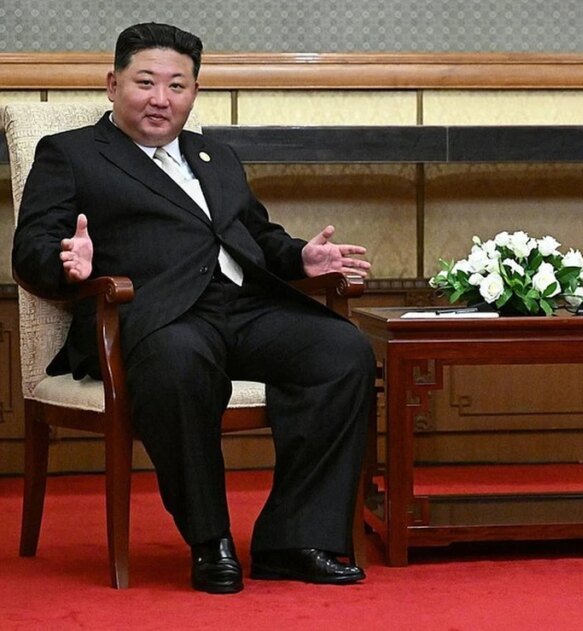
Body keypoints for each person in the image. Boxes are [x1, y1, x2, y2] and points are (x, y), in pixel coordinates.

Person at [12, 22, 377, 594]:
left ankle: (293, 540)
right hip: (154, 316)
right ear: (112, 84)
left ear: (194, 93)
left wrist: (300, 256)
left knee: (342, 351)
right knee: (179, 363)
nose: (161, 98)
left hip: (243, 308)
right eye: (146, 82)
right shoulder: (71, 154)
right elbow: (29, 250)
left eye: (177, 85)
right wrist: (67, 264)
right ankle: (211, 541)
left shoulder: (215, 156)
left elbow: (254, 235)